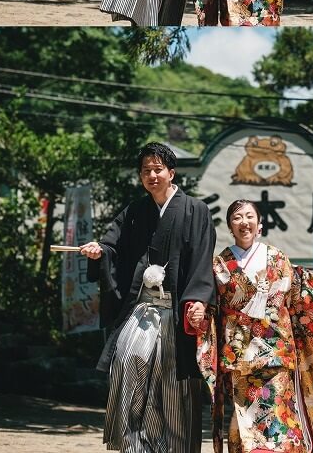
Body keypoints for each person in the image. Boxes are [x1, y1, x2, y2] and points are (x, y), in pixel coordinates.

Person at [187, 199, 313, 453]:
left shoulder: (278, 259)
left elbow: (302, 292)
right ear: (230, 227)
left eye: (249, 217)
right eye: (237, 218)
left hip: (276, 351)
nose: (244, 223)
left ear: (260, 225)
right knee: (244, 420)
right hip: (239, 354)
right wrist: (199, 313)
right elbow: (212, 304)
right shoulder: (219, 264)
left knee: (278, 418)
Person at [81, 142, 217, 453]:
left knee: (172, 383)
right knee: (128, 361)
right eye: (146, 170)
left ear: (171, 172)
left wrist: (198, 300)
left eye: (158, 169)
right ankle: (134, 446)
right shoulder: (134, 211)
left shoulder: (195, 210)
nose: (152, 175)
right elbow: (111, 245)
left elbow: (201, 259)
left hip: (177, 312)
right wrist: (98, 252)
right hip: (142, 309)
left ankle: (173, 448)